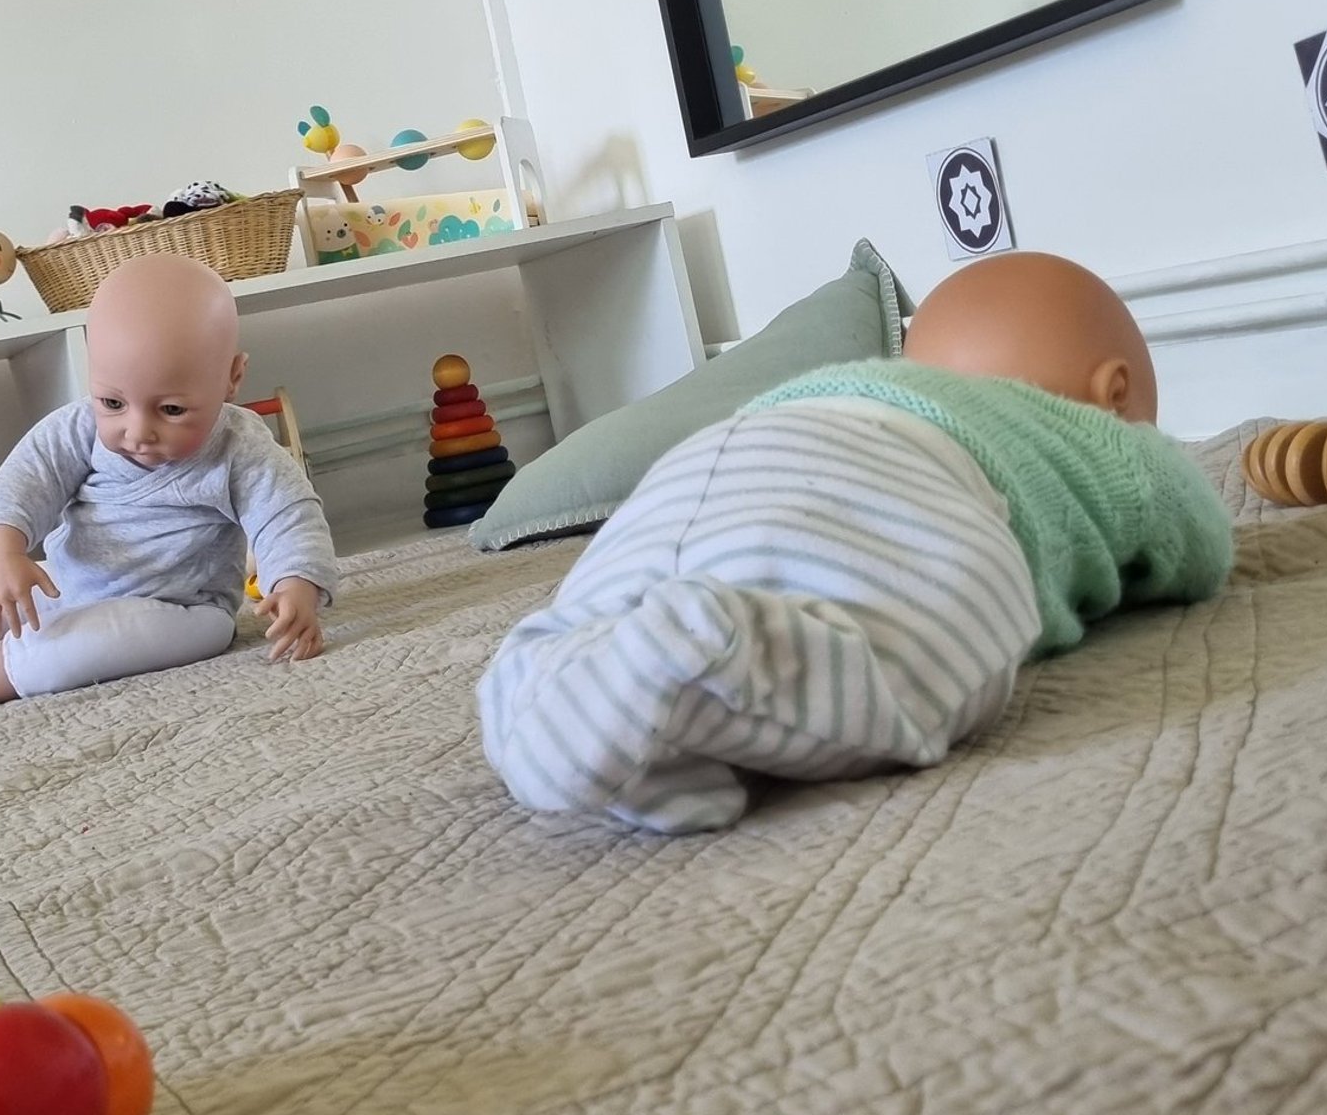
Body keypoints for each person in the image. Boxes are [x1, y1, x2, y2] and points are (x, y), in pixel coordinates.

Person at [477, 251, 1233, 834]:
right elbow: (1198, 538)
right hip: (887, 483)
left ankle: (570, 685)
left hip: (702, 469)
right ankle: (703, 655)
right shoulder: (1091, 437)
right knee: (934, 645)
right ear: (1117, 392)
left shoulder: (843, 385)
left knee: (608, 592)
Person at [0, 255, 336, 727]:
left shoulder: (241, 447)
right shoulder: (74, 429)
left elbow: (287, 514)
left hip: (182, 609)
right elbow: (23, 483)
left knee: (71, 647)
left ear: (232, 377)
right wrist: (6, 554)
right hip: (72, 582)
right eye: (112, 402)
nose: (137, 430)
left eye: (172, 409)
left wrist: (296, 586)